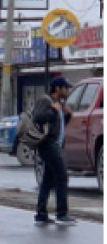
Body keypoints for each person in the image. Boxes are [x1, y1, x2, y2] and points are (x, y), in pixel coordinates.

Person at [33, 77, 76, 226]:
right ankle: (62, 213)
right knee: (62, 176)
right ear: (58, 88)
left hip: (55, 144)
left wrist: (67, 115)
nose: (68, 91)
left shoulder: (59, 104)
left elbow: (57, 125)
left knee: (48, 180)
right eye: (66, 88)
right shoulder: (46, 101)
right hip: (47, 144)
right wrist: (53, 110)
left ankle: (41, 214)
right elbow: (38, 118)